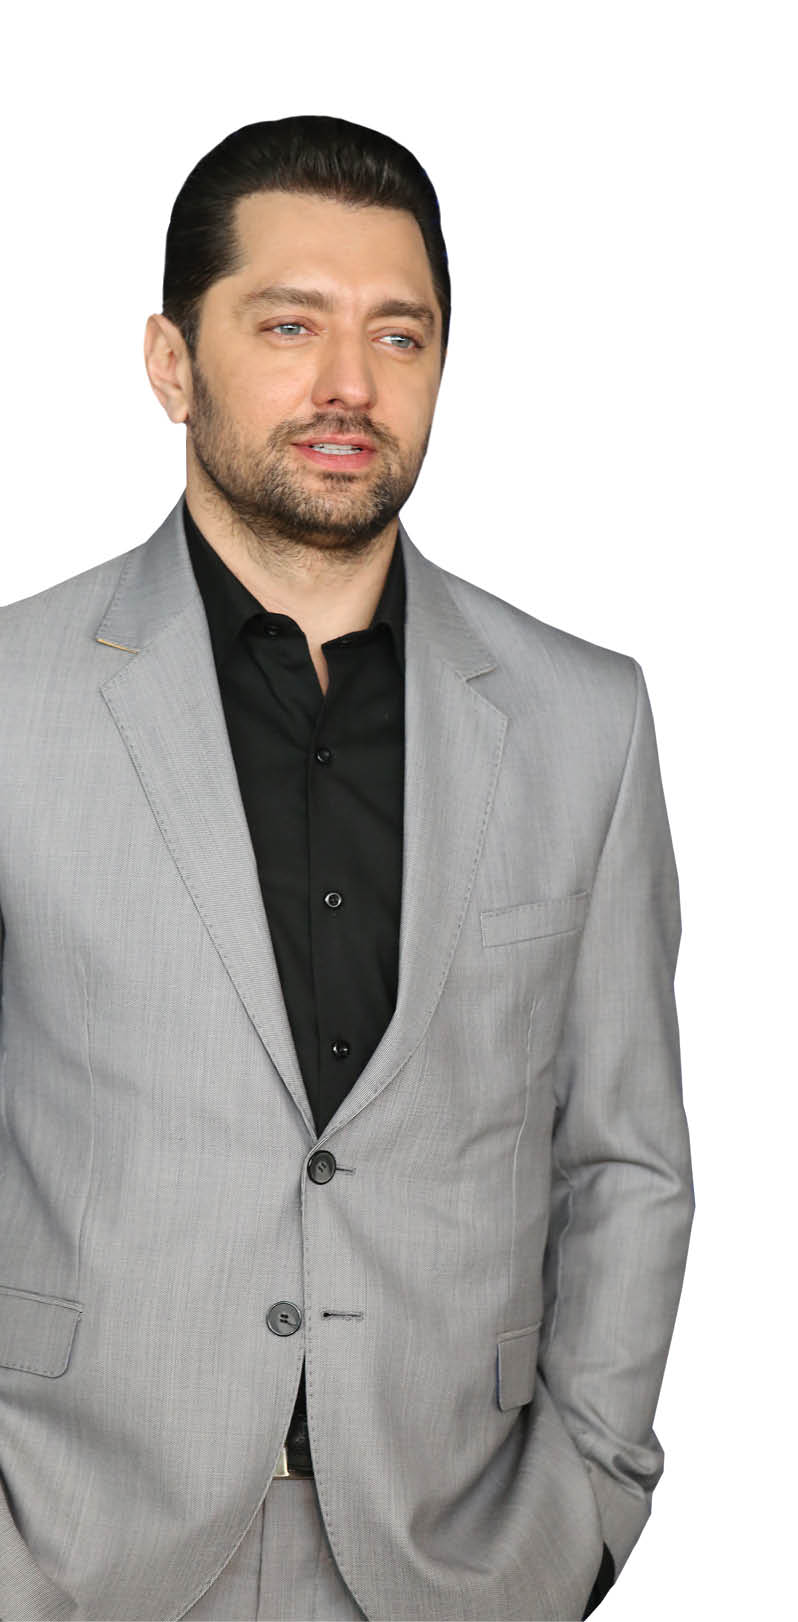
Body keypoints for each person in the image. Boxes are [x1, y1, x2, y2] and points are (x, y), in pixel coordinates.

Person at [0, 114, 694, 1622]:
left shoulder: (584, 720)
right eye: (287, 324)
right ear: (171, 363)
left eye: (398, 333)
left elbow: (625, 1159)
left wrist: (587, 1505)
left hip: (459, 1559)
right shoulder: (10, 700)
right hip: (70, 1550)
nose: (349, 385)